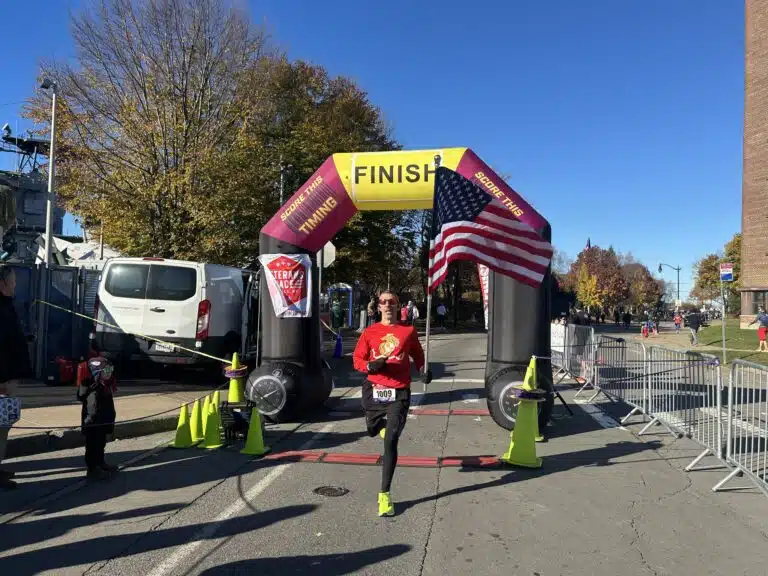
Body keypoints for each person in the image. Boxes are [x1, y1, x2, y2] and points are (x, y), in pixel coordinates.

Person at [352, 291, 432, 517]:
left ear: (398, 307)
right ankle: (378, 427)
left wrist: (423, 372)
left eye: (392, 302)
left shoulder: (407, 331)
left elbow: (418, 355)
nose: (387, 305)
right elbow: (357, 359)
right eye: (383, 302)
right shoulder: (370, 332)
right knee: (372, 429)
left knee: (391, 440)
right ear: (378, 307)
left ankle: (384, 494)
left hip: (399, 391)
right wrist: (370, 366)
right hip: (374, 390)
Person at [0, 266, 31, 490]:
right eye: (11, 282)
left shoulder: (6, 306)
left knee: (4, 426)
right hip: (3, 380)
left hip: (8, 378)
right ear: (1, 284)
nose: (14, 286)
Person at [77, 356, 119, 480]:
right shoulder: (89, 384)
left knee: (101, 444)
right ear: (97, 372)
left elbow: (109, 406)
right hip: (92, 422)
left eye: (110, 371)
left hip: (103, 421)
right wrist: (89, 387)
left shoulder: (106, 386)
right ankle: (92, 469)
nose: (109, 374)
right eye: (106, 371)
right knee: (92, 447)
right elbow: (81, 397)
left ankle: (101, 463)